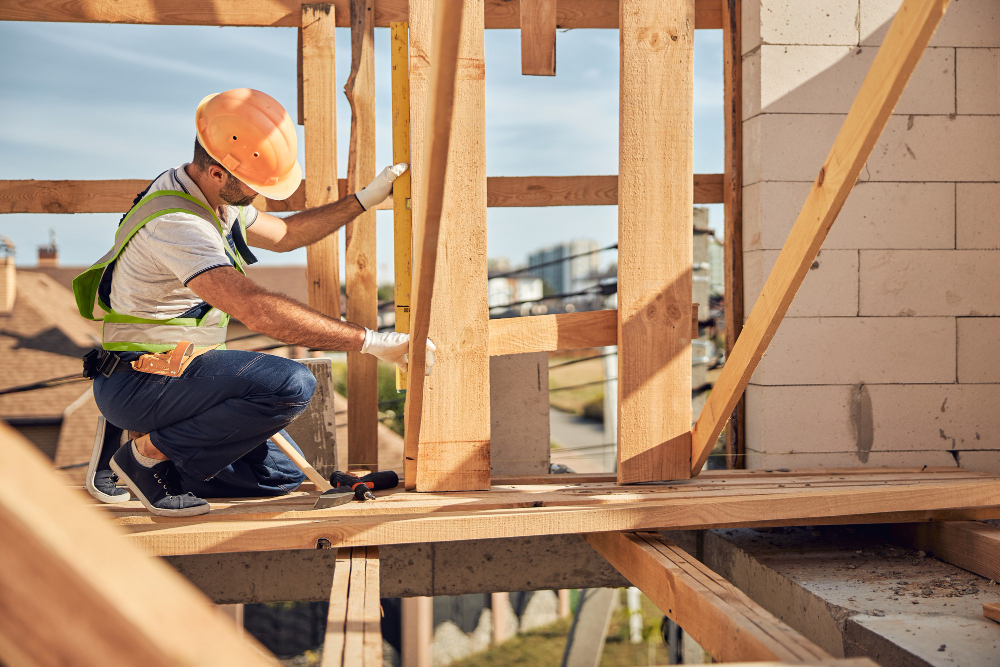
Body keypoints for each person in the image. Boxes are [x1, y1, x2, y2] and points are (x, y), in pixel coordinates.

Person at [73, 88, 433, 517]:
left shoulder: (207, 196)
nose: (261, 197)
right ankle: (143, 455)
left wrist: (363, 201)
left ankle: (128, 445)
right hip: (142, 378)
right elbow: (256, 309)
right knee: (291, 385)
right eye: (255, 186)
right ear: (218, 173)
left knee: (276, 477)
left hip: (173, 372)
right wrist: (373, 343)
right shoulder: (179, 223)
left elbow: (286, 235)